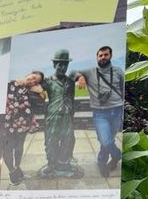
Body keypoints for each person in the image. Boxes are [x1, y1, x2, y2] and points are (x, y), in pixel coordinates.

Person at [72, 46, 125, 177]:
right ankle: (116, 156)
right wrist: (80, 77)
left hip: (117, 110)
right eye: (100, 55)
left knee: (108, 140)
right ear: (97, 58)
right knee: (105, 140)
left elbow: (124, 89)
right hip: (100, 113)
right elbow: (72, 72)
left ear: (110, 56)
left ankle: (104, 161)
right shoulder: (90, 72)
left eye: (105, 55)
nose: (103, 57)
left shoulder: (118, 71)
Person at [37, 49, 84, 179]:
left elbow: (77, 74)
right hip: (53, 116)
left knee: (68, 140)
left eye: (65, 64)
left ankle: (64, 163)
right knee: (51, 140)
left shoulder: (70, 81)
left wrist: (80, 77)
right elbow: (34, 84)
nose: (63, 67)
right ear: (54, 65)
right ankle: (51, 163)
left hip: (67, 116)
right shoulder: (48, 81)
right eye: (60, 64)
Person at [3, 71, 46, 185]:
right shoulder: (9, 84)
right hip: (8, 123)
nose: (32, 81)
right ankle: (12, 172)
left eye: (35, 81)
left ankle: (17, 168)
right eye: (33, 77)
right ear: (29, 73)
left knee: (19, 147)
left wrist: (40, 91)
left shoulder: (30, 91)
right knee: (8, 147)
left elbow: (42, 102)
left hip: (23, 123)